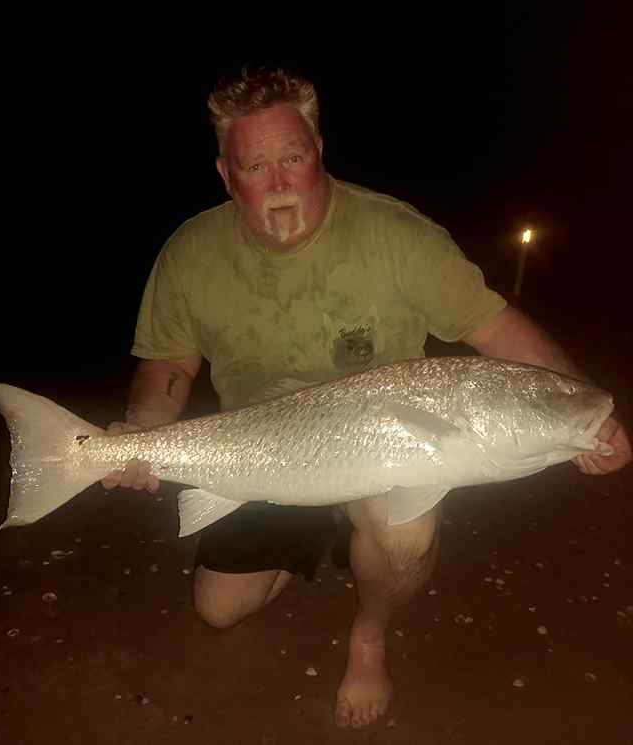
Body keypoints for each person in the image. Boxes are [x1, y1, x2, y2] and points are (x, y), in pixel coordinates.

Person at [102, 65, 632, 729]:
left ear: (318, 151)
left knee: (404, 531)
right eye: (255, 164)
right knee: (218, 608)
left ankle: (370, 633)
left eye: (293, 156)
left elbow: (499, 330)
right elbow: (168, 364)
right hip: (259, 454)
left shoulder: (397, 234)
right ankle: (320, 533)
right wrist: (141, 433)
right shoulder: (190, 251)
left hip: (379, 455)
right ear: (225, 173)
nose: (278, 181)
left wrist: (589, 405)